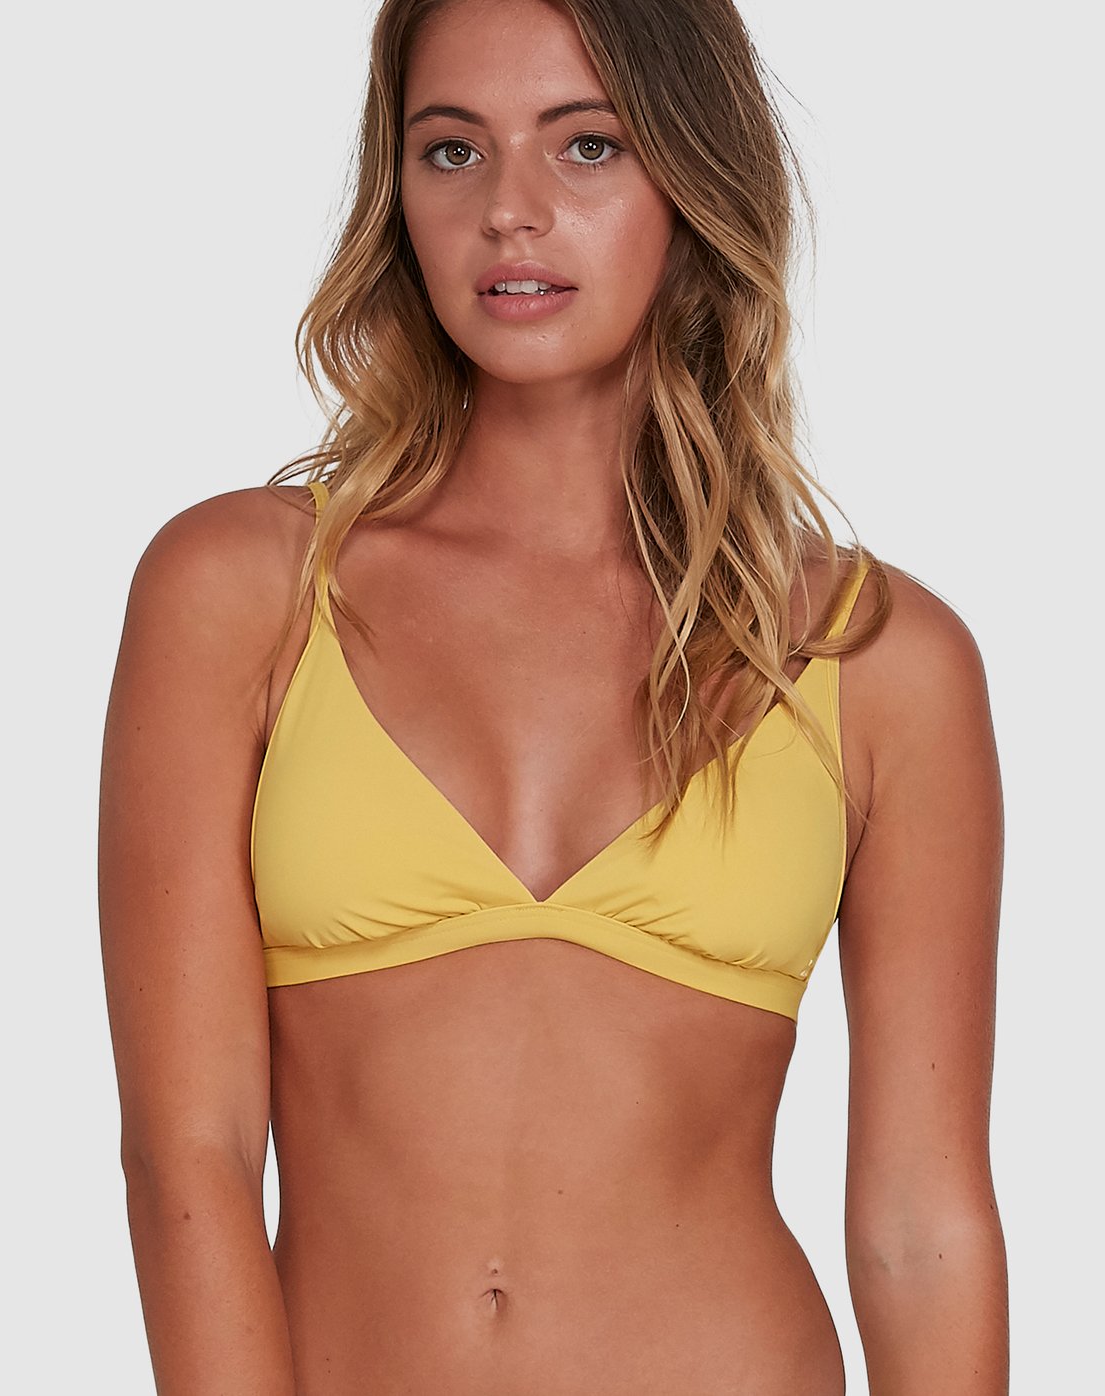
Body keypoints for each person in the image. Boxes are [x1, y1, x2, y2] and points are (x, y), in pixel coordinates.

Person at [97, 0, 1009, 1391]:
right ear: (396, 194)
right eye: (451, 151)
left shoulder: (877, 659)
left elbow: (919, 1228)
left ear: (692, 177)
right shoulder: (240, 593)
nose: (509, 212)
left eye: (587, 146)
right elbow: (189, 1153)